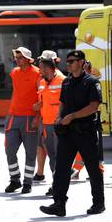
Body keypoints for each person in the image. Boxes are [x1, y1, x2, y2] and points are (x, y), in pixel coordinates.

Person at [40, 50, 105, 217]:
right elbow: (62, 102)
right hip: (67, 133)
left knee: (93, 169)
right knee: (61, 168)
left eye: (72, 61)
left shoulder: (91, 82)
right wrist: (59, 116)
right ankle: (59, 204)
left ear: (81, 62)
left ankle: (98, 203)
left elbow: (93, 106)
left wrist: (72, 116)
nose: (67, 64)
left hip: (86, 133)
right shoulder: (67, 82)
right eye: (67, 61)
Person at [4, 47, 41, 194]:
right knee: (9, 151)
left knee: (30, 153)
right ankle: (15, 180)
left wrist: (38, 117)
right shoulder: (14, 73)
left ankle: (28, 183)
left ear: (27, 58)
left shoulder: (37, 73)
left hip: (30, 118)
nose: (17, 59)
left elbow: (41, 96)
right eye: (16, 56)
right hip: (13, 116)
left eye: (20, 57)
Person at [33, 51, 65, 196]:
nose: (41, 70)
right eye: (40, 67)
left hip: (58, 125)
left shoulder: (63, 80)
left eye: (43, 67)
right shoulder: (41, 81)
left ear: (52, 66)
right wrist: (38, 109)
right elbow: (44, 100)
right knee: (52, 156)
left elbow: (66, 103)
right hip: (46, 124)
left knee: (59, 156)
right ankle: (56, 184)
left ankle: (59, 185)